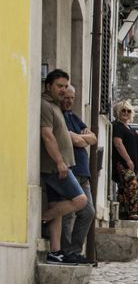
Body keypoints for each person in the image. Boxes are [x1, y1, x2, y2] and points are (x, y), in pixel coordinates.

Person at [39, 70, 89, 265]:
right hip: (54, 166)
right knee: (80, 200)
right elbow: (47, 135)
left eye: (65, 86)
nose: (63, 90)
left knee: (56, 208)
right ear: (48, 85)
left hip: (61, 165)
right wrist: (60, 162)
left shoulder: (55, 106)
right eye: (59, 86)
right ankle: (41, 219)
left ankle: (55, 251)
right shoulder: (45, 106)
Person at [59, 85, 98, 266]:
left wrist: (81, 138)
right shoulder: (58, 116)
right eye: (66, 97)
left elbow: (93, 138)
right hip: (70, 169)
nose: (69, 101)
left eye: (72, 98)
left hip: (83, 171)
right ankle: (66, 252)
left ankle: (74, 250)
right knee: (68, 213)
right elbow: (70, 138)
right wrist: (80, 138)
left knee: (88, 211)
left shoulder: (73, 116)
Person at [112, 100, 138, 220]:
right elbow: (118, 144)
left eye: (128, 111)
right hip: (123, 163)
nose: (125, 113)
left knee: (124, 188)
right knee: (131, 184)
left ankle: (123, 213)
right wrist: (128, 160)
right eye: (123, 110)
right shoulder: (118, 126)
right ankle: (133, 212)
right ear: (118, 112)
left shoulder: (128, 127)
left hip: (131, 163)